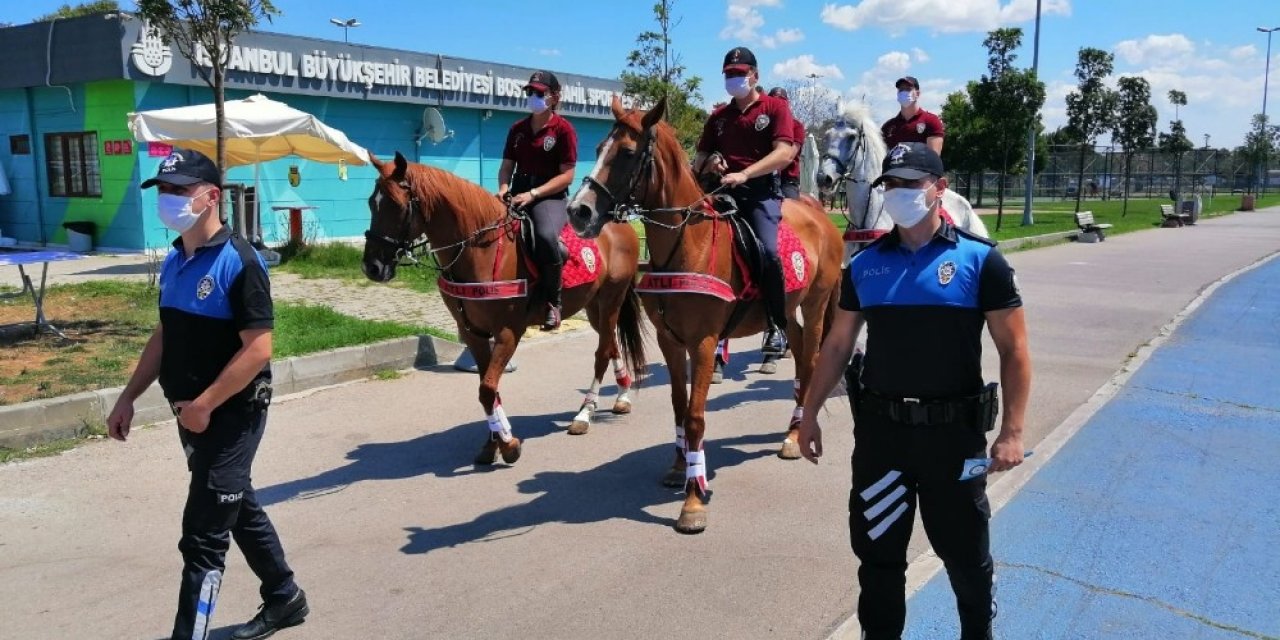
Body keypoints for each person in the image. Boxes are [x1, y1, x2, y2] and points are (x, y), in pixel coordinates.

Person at [797, 142, 1031, 639]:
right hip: (884, 441)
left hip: (955, 440)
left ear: (939, 188)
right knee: (878, 560)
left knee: (966, 555)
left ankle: (977, 631)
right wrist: (809, 412)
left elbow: (1014, 351)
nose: (899, 194)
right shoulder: (865, 266)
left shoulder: (980, 261)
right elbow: (838, 345)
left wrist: (1012, 431)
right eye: (891, 185)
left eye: (911, 183)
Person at [107, 148, 308, 640]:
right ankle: (285, 597)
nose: (169, 200)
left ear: (211, 196)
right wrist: (128, 396)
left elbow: (259, 349)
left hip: (231, 414)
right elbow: (165, 336)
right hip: (191, 413)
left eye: (180, 190)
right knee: (237, 505)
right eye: (164, 191)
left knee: (203, 537)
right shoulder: (177, 258)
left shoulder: (241, 262)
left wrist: (205, 405)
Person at [693, 46, 798, 348]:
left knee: (768, 252)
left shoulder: (775, 108)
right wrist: (711, 160)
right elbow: (700, 156)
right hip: (721, 195)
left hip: (759, 195)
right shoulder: (718, 117)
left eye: (740, 74)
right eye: (729, 75)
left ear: (755, 75)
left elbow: (783, 153)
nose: (734, 79)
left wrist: (746, 174)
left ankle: (777, 323)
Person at [497, 70, 579, 330]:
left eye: (539, 93)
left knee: (544, 236)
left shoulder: (564, 130)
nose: (533, 97)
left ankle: (554, 303)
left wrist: (534, 194)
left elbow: (567, 176)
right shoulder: (516, 130)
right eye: (530, 92)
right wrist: (502, 188)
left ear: (554, 97)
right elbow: (506, 166)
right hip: (517, 193)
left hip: (549, 198)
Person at [881, 76, 945, 154]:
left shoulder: (931, 121)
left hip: (921, 166)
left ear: (917, 94)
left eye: (908, 89)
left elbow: (934, 159)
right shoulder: (888, 127)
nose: (904, 92)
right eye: (901, 90)